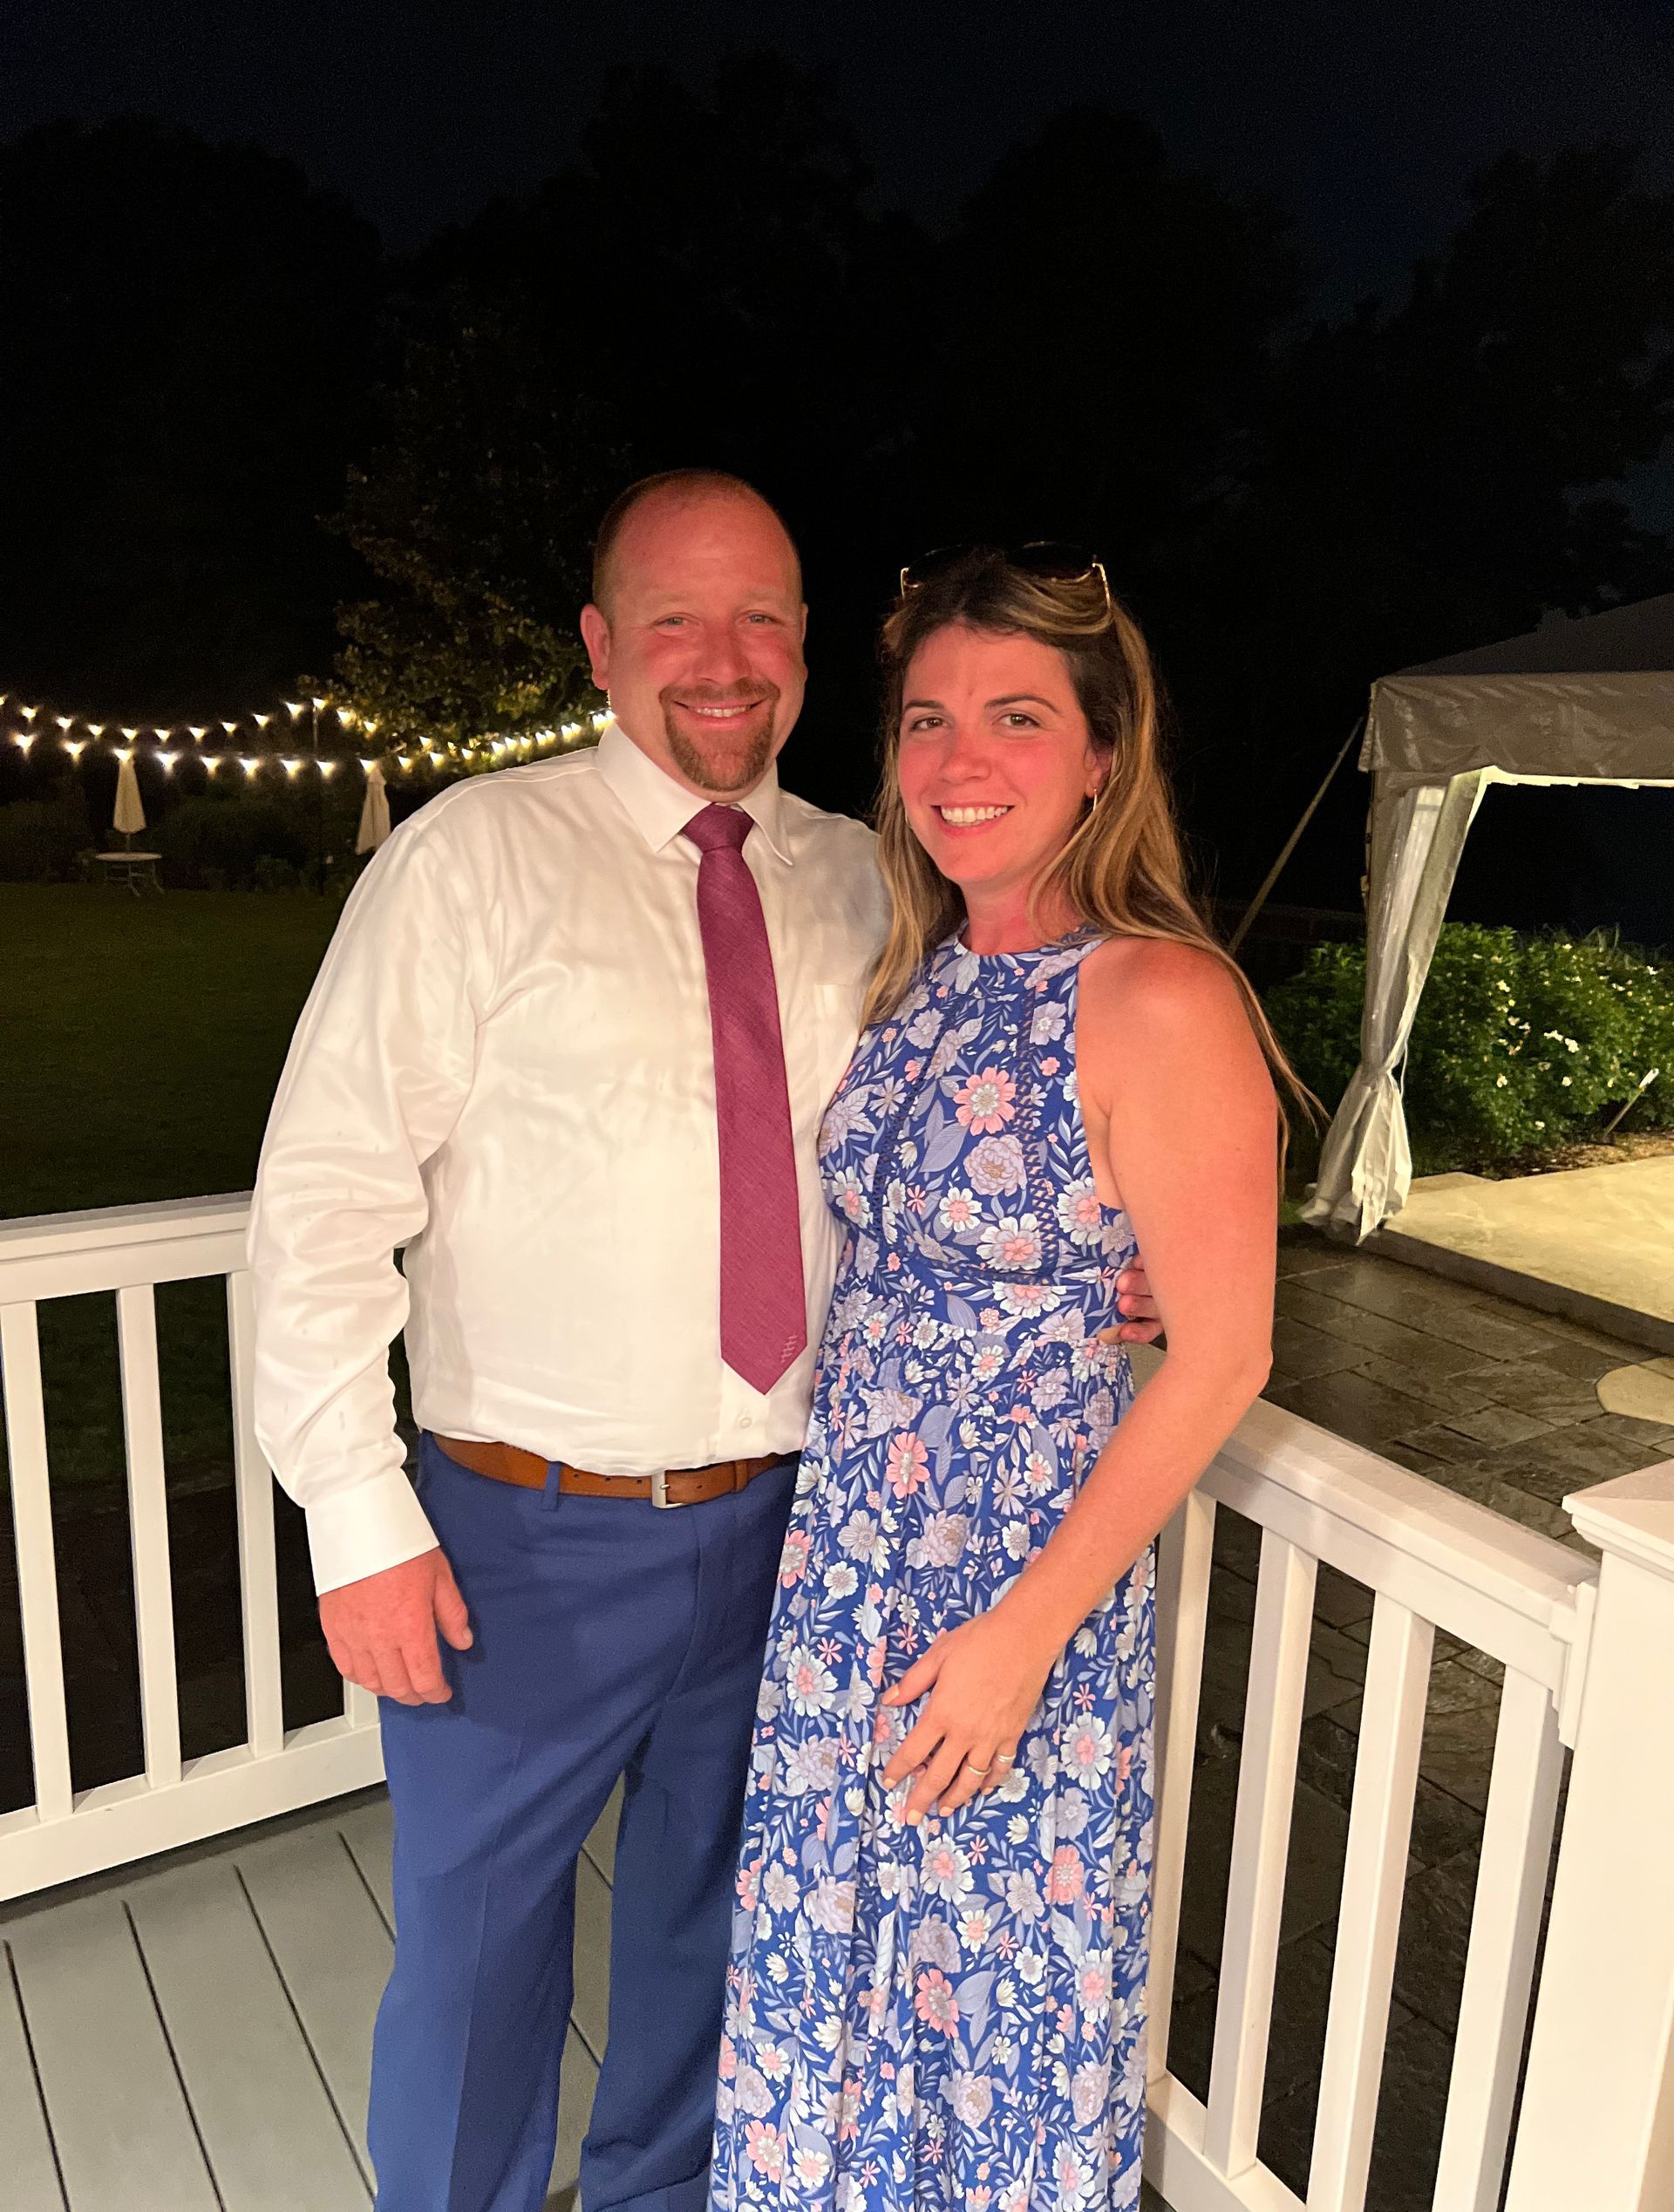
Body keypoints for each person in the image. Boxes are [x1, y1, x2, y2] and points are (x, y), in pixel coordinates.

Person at [248, 476, 1161, 2212]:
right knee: (475, 1957)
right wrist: (357, 1514)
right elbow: (317, 1202)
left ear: (809, 646)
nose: (724, 662)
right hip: (520, 1533)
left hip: (794, 1534)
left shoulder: (865, 876)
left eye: (764, 618)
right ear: (601, 643)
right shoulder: (472, 855)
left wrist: (1112, 1263)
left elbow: (956, 1147)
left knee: (710, 1928)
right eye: (676, 617)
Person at [711, 546, 1289, 2211]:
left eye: (1017, 719)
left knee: (989, 2023)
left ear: (1104, 753)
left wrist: (1019, 1641)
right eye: (927, 721)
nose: (961, 763)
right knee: (839, 1991)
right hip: (852, 1581)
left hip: (1010, 1597)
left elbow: (1226, 1347)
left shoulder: (1159, 994)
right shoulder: (932, 975)